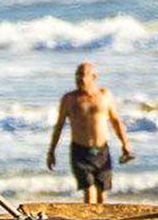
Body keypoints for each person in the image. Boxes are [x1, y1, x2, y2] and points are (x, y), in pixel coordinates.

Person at [46, 61, 135, 204]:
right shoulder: (69, 99)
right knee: (89, 192)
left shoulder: (104, 95)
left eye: (84, 75)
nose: (80, 78)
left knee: (102, 196)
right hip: (80, 151)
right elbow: (59, 126)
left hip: (101, 150)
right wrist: (51, 152)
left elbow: (116, 121)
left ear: (94, 76)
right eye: (77, 75)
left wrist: (125, 144)